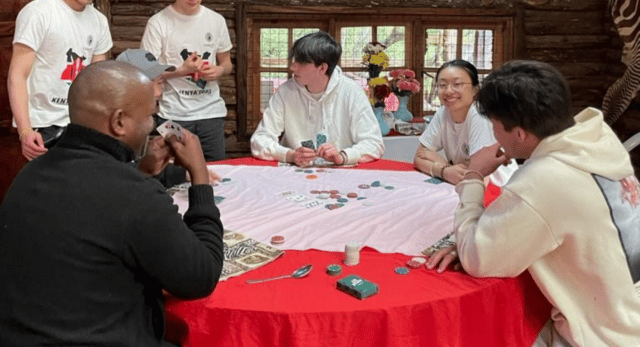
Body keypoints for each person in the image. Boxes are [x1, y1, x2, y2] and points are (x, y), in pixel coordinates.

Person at [0, 60, 224, 346]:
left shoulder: (29, 174)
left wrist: (140, 171)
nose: (153, 126)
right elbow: (200, 276)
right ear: (119, 122)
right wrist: (200, 176)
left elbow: (94, 210)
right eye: (150, 115)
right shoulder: (134, 195)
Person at [428, 60, 640, 347]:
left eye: (494, 125)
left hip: (604, 334)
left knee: (485, 328)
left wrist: (474, 176)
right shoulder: (597, 140)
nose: (493, 135)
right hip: (628, 307)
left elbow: (478, 259)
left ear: (519, 134)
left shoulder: (543, 180)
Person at [8, 0, 116, 161]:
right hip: (42, 124)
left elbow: (96, 80)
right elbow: (17, 75)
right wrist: (26, 130)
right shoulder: (38, 13)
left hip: (80, 124)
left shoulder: (99, 21)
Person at [141, 0, 232, 161]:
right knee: (174, 173)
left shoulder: (216, 21)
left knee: (216, 172)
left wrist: (218, 71)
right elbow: (145, 71)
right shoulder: (158, 23)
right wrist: (183, 70)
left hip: (211, 114)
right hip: (172, 114)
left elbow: (227, 64)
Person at [250, 31, 384, 166]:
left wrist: (343, 156)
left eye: (301, 63)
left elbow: (374, 143)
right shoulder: (285, 91)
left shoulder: (352, 91)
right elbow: (259, 140)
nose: (292, 67)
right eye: (294, 60)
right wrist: (290, 155)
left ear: (322, 68)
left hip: (342, 174)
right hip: (294, 174)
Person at [116, 48, 221, 185]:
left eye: (161, 81)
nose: (160, 91)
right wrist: (198, 173)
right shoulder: (118, 131)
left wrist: (183, 174)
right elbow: (122, 182)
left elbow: (135, 173)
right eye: (157, 82)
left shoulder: (140, 122)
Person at [414, 59, 505, 185]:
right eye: (442, 85)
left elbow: (476, 175)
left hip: (498, 188)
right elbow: (419, 158)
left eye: (457, 84)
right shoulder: (443, 112)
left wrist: (441, 165)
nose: (449, 91)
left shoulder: (480, 115)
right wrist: (445, 171)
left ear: (475, 90)